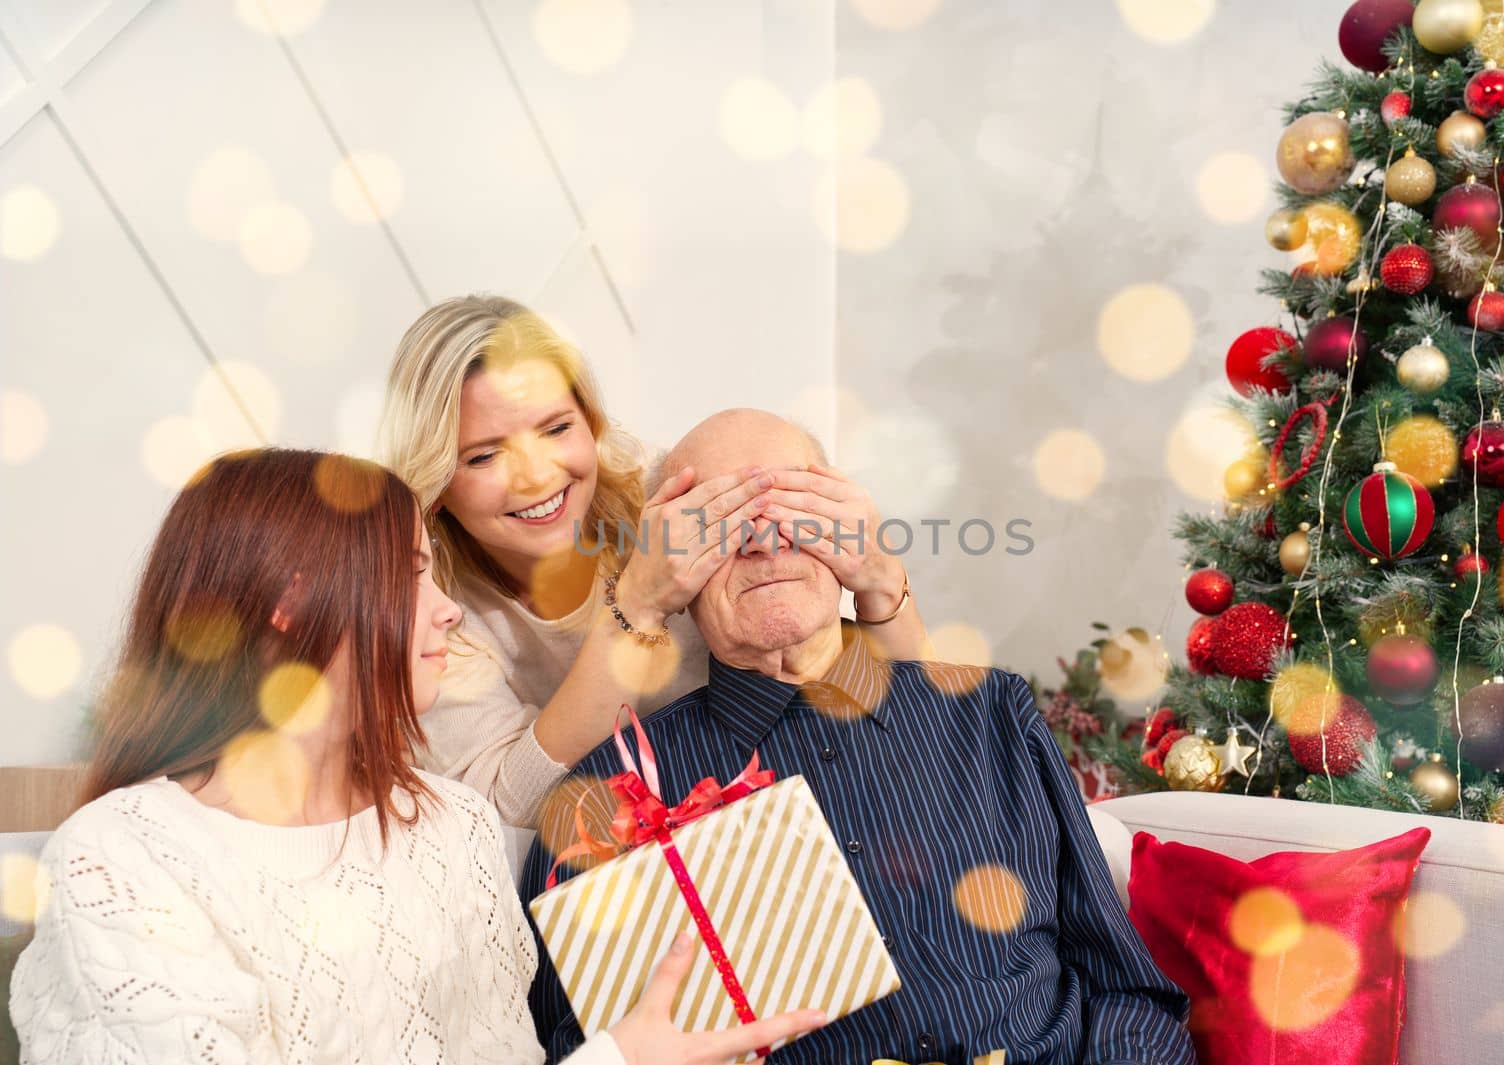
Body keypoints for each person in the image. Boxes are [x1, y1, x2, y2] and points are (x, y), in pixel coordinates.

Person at [8, 448, 825, 1064]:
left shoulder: (452, 827)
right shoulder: (125, 860)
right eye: (409, 575)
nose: (448, 615)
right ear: (292, 603)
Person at [525, 412, 1197, 1064]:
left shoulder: (991, 712)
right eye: (719, 522)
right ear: (672, 563)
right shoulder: (606, 800)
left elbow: (1126, 989)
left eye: (795, 504)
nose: (764, 541)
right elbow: (583, 1049)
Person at [379, 295, 928, 826]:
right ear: (437, 481)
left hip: (781, 801)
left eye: (556, 429)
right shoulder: (428, 609)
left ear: (591, 422)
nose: (538, 475)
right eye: (484, 455)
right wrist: (636, 605)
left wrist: (881, 580)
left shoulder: (676, 494)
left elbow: (910, 716)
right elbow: (504, 813)